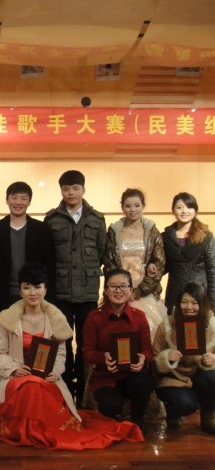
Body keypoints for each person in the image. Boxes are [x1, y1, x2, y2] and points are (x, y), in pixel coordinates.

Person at [0, 263, 142, 449]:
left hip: (46, 379)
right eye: (27, 288)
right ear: (20, 291)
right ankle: (28, 431)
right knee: (29, 385)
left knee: (36, 385)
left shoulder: (56, 318)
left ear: (45, 289)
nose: (33, 293)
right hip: (13, 379)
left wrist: (55, 371)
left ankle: (35, 431)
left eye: (37, 287)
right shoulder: (6, 319)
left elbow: (60, 354)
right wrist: (14, 369)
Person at [44, 170, 107, 403]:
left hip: (88, 292)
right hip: (60, 292)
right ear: (61, 191)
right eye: (66, 189)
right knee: (62, 342)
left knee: (86, 343)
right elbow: (47, 256)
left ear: (83, 189)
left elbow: (102, 252)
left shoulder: (97, 219)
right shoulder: (52, 219)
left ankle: (84, 392)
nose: (71, 193)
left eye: (75, 188)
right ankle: (65, 390)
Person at [83, 269, 153, 432]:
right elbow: (88, 353)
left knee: (141, 382)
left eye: (123, 286)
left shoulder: (139, 317)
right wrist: (103, 357)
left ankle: (138, 420)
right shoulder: (94, 317)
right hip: (105, 376)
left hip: (133, 374)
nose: (118, 291)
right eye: (113, 286)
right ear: (106, 290)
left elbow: (148, 350)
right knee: (111, 406)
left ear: (130, 290)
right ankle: (113, 420)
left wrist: (143, 358)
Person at [103, 188, 166, 340]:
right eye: (128, 206)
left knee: (150, 332)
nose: (132, 209)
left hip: (145, 290)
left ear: (143, 206)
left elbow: (159, 263)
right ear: (122, 207)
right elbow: (109, 262)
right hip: (119, 290)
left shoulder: (152, 231)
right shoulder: (114, 231)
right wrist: (121, 288)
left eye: (137, 205)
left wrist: (138, 291)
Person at [0, 181, 55, 314]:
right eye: (14, 198)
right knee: (6, 327)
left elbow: (49, 264)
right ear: (7, 200)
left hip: (33, 294)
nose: (18, 202)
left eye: (23, 198)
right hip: (4, 293)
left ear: (29, 201)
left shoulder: (41, 229)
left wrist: (47, 294)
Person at [153, 282, 215, 434]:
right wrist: (166, 357)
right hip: (173, 379)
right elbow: (153, 359)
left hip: (200, 376)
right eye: (184, 302)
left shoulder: (212, 324)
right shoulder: (167, 325)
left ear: (202, 304)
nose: (189, 307)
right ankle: (174, 411)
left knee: (212, 378)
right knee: (187, 405)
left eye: (194, 303)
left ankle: (208, 417)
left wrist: (213, 359)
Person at [162, 192, 215, 311]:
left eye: (189, 207)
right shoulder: (165, 237)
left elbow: (212, 271)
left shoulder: (206, 236)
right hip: (175, 295)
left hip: (199, 295)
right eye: (179, 207)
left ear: (195, 211)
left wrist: (212, 304)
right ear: (173, 210)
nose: (184, 211)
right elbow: (163, 266)